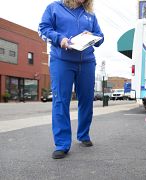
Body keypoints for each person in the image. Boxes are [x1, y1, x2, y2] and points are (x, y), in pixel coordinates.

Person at [38, 0, 104, 159]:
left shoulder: (90, 14)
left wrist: (93, 37)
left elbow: (101, 38)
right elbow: (43, 29)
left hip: (87, 62)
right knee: (61, 100)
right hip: (61, 61)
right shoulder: (54, 8)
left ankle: (83, 135)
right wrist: (59, 38)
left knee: (87, 100)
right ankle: (62, 144)